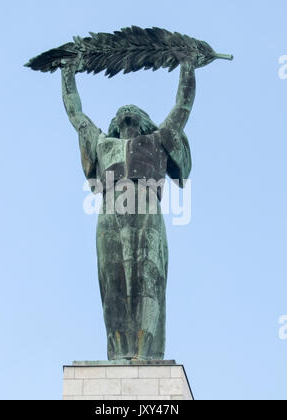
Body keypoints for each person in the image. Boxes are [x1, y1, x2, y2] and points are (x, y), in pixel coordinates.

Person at [61, 58, 195, 361]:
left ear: (144, 119)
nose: (126, 109)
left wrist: (188, 65)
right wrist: (67, 74)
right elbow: (77, 116)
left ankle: (144, 350)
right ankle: (119, 350)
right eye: (121, 109)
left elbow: (182, 109)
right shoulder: (103, 144)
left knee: (147, 277)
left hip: (146, 205)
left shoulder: (157, 140)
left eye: (133, 108)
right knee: (113, 279)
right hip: (109, 208)